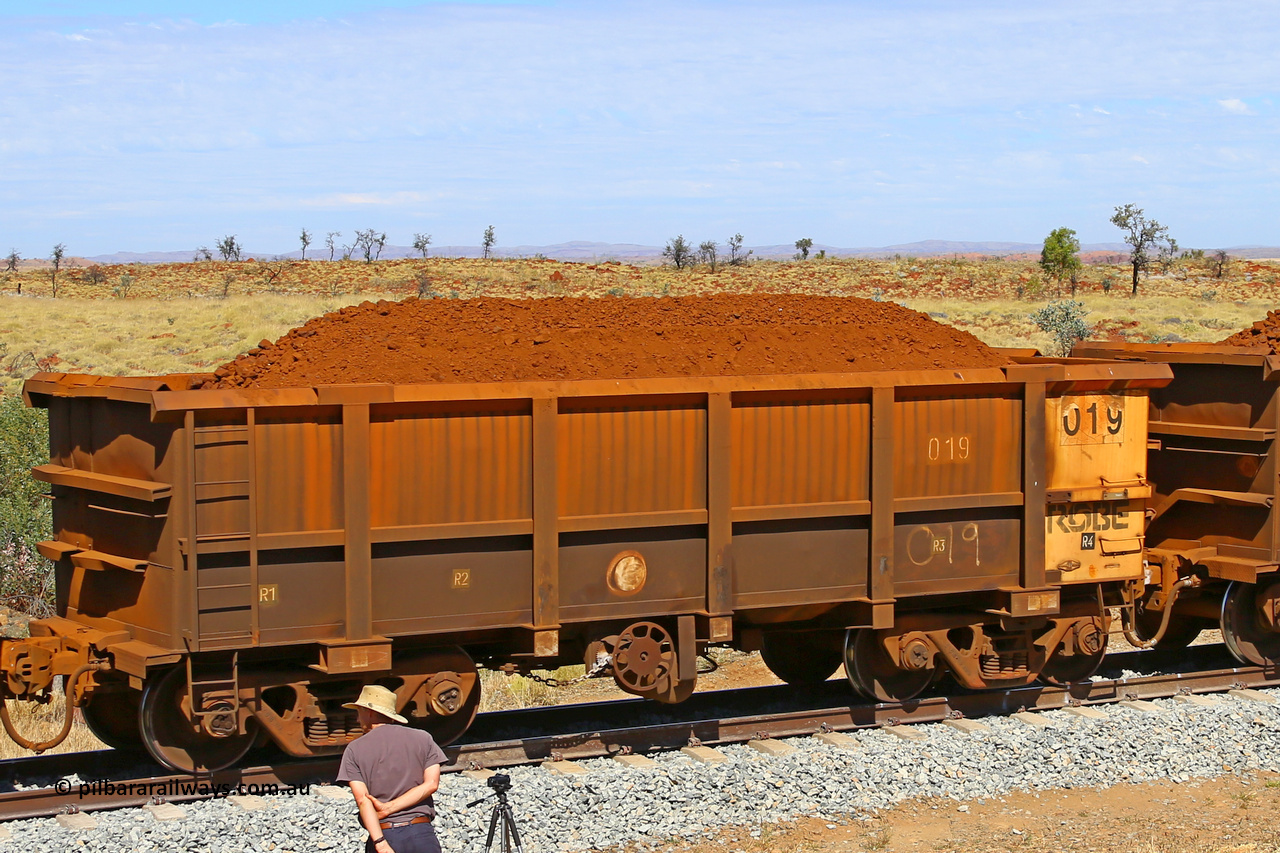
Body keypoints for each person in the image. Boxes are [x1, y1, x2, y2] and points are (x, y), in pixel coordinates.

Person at [336, 684, 448, 853]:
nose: (358, 720)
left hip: (384, 834)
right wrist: (391, 807)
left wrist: (380, 842)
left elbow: (362, 800)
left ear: (370, 712)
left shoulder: (354, 749)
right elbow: (431, 784)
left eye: (359, 712)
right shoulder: (423, 738)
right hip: (422, 835)